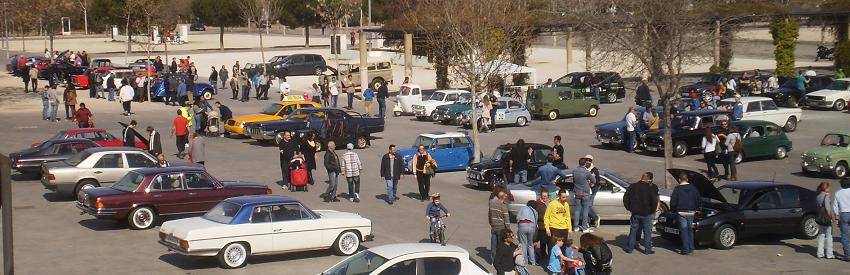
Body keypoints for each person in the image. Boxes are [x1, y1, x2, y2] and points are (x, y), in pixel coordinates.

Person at [623, 172, 660, 254]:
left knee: (633, 230)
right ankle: (647, 250)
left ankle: (630, 248)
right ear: (648, 179)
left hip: (635, 212)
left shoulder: (633, 186)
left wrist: (629, 208)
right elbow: (654, 201)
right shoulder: (650, 188)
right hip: (647, 213)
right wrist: (652, 210)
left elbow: (625, 198)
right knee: (647, 232)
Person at [670, 173, 701, 255]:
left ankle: (685, 249)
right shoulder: (694, 188)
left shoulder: (677, 189)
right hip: (691, 212)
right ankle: (691, 247)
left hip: (681, 212)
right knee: (690, 230)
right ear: (687, 179)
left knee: (683, 230)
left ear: (679, 180)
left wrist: (673, 210)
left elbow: (673, 201)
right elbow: (698, 199)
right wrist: (698, 209)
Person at [545, 188, 572, 254]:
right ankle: (552, 262)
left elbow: (568, 217)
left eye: (566, 197)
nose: (565, 199)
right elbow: (546, 217)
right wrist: (547, 229)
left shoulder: (566, 204)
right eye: (563, 197)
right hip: (554, 228)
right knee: (553, 247)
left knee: (563, 247)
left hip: (564, 228)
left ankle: (561, 262)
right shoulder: (552, 204)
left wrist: (570, 229)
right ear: (559, 197)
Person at [573, 158, 597, 233]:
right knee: (585, 211)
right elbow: (594, 181)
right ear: (585, 163)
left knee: (577, 210)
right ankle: (584, 227)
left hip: (577, 192)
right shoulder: (586, 172)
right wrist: (591, 177)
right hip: (585, 193)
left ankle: (576, 227)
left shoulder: (574, 171)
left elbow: (574, 180)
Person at [489, 188, 510, 263]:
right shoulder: (503, 206)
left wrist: (491, 223)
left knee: (493, 245)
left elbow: (489, 214)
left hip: (493, 227)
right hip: (501, 228)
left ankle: (492, 261)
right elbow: (506, 220)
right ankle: (499, 261)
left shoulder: (492, 204)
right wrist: (508, 230)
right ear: (503, 197)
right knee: (500, 246)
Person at [815, 182, 835, 259]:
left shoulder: (818, 196)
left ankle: (820, 253)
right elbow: (828, 208)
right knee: (829, 236)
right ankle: (829, 254)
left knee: (821, 236)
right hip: (826, 218)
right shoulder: (826, 196)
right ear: (826, 188)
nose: (829, 189)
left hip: (820, 217)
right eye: (828, 187)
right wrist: (830, 217)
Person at [516, 200, 538, 266]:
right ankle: (533, 261)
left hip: (522, 226)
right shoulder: (535, 211)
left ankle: (525, 261)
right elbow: (536, 223)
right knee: (530, 244)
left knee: (523, 244)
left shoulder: (522, 208)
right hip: (531, 227)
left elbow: (518, 218)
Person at [834, 179, 850, 261]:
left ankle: (847, 255)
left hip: (843, 214)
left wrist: (836, 219)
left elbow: (835, 207)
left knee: (844, 236)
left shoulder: (838, 193)